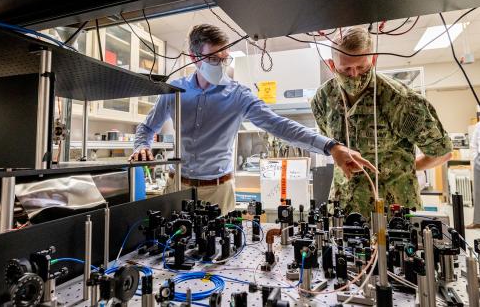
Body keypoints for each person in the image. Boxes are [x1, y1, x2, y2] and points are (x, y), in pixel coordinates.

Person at [130, 24, 375, 214]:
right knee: (169, 252)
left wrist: (331, 146)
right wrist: (142, 145)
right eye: (213, 59)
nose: (221, 64)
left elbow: (279, 125)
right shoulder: (175, 90)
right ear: (194, 58)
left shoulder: (238, 95)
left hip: (218, 190)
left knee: (218, 258)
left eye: (225, 58)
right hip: (176, 187)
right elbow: (147, 128)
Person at [311, 26, 453, 217]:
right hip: (343, 211)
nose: (354, 75)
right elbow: (327, 144)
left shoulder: (401, 101)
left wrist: (408, 166)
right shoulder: (323, 100)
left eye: (362, 67)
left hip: (394, 212)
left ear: (374, 59)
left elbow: (442, 152)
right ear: (331, 65)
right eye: (346, 69)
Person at [466, 120, 480, 229]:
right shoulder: (478, 126)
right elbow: (473, 143)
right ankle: (477, 221)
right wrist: (476, 158)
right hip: (479, 161)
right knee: (478, 192)